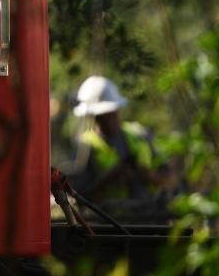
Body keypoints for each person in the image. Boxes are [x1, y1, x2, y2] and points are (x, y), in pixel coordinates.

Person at [68, 76, 171, 210]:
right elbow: (79, 197)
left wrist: (148, 175)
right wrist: (110, 179)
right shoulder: (85, 147)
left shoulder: (139, 135)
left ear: (118, 109)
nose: (108, 120)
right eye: (102, 116)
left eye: (111, 113)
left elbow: (169, 178)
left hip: (149, 218)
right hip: (108, 225)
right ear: (92, 117)